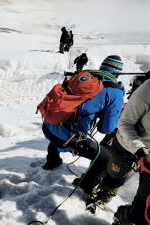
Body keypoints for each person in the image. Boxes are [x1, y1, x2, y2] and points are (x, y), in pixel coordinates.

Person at [42, 55, 125, 196]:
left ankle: (52, 161)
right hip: (67, 138)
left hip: (48, 124)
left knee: (60, 129)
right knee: (105, 158)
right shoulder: (115, 92)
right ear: (117, 74)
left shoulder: (81, 77)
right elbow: (106, 129)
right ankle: (85, 186)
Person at [86, 77, 150, 225]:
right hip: (127, 146)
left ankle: (128, 218)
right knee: (115, 176)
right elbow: (125, 123)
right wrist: (139, 149)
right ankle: (103, 197)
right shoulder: (148, 88)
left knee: (143, 210)